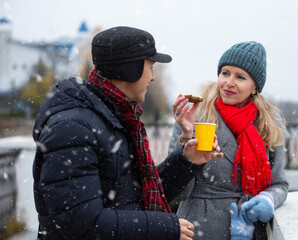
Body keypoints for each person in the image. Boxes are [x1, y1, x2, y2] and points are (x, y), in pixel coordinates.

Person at [32, 26, 223, 240]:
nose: (153, 78)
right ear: (130, 70)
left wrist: (186, 160)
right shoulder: (72, 129)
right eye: (150, 67)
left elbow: (135, 195)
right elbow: (81, 224)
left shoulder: (116, 117)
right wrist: (166, 228)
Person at [169, 41, 289, 239]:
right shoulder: (196, 115)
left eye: (240, 77)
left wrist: (268, 199)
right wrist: (185, 137)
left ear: (254, 87)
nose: (228, 82)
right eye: (225, 73)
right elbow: (177, 191)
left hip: (250, 228)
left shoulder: (268, 123)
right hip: (199, 228)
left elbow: (280, 184)